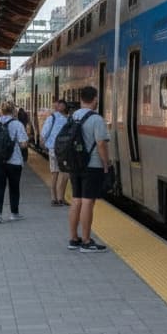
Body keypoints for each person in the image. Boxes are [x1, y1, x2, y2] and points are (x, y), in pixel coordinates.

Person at [67, 86, 110, 253]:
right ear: (95, 99)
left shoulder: (73, 116)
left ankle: (73, 239)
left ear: (81, 99)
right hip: (92, 165)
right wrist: (106, 163)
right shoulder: (97, 119)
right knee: (88, 202)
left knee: (76, 200)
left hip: (74, 165)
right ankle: (86, 241)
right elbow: (101, 144)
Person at [0, 101, 29, 223]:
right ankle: (14, 213)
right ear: (13, 111)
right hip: (14, 161)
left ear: (1, 111)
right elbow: (23, 144)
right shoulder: (17, 124)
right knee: (14, 187)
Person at [41, 100, 70, 206]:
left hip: (56, 149)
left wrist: (43, 142)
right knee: (63, 174)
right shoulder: (64, 119)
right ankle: (59, 198)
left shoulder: (53, 118)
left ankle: (56, 198)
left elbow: (44, 132)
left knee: (56, 174)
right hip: (60, 150)